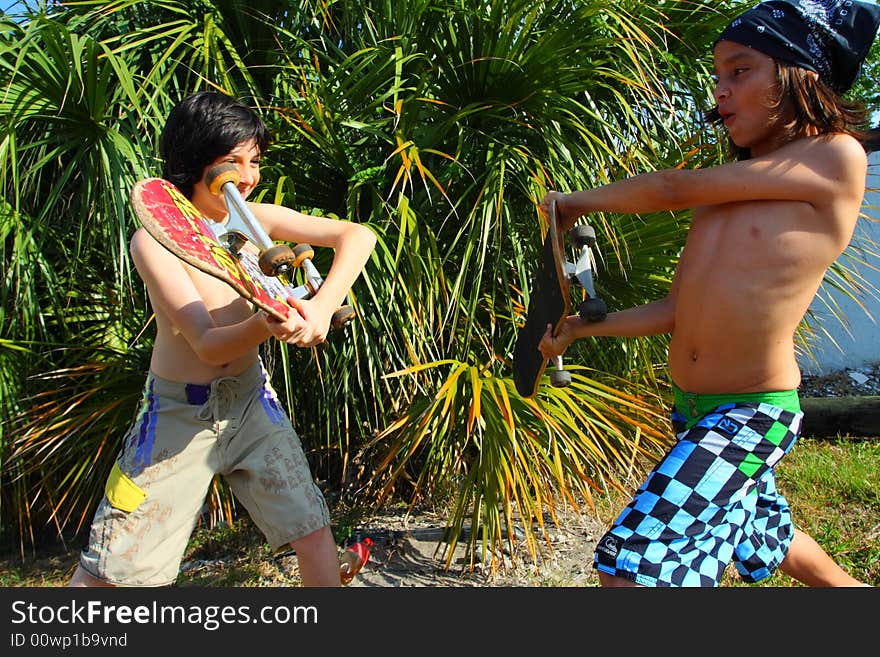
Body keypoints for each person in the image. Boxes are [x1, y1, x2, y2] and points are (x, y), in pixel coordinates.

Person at [538, 0, 880, 587]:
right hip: (694, 408)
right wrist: (583, 327)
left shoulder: (836, 157)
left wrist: (576, 201)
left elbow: (673, 186)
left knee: (634, 567)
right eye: (717, 76)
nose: (720, 91)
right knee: (770, 537)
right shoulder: (728, 200)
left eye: (740, 70)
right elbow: (678, 310)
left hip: (752, 412)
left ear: (803, 74)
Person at [68, 90, 376, 587]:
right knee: (118, 568)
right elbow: (208, 343)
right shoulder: (154, 240)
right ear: (194, 160)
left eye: (254, 161)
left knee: (312, 530)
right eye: (232, 162)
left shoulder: (256, 223)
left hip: (252, 402)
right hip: (178, 416)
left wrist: (319, 308)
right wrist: (266, 323)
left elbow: (357, 236)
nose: (249, 177)